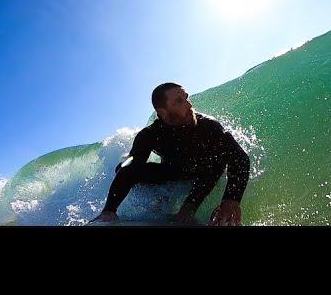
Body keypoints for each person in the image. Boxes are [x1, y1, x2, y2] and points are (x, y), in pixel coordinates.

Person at [91, 82, 250, 226]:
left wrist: (231, 200)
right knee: (126, 167)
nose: (189, 105)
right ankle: (108, 214)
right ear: (163, 112)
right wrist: (111, 205)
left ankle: (188, 209)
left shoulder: (208, 126)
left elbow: (240, 158)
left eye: (186, 98)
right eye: (179, 101)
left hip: (205, 173)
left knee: (217, 161)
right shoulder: (149, 135)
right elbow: (133, 166)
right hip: (174, 171)